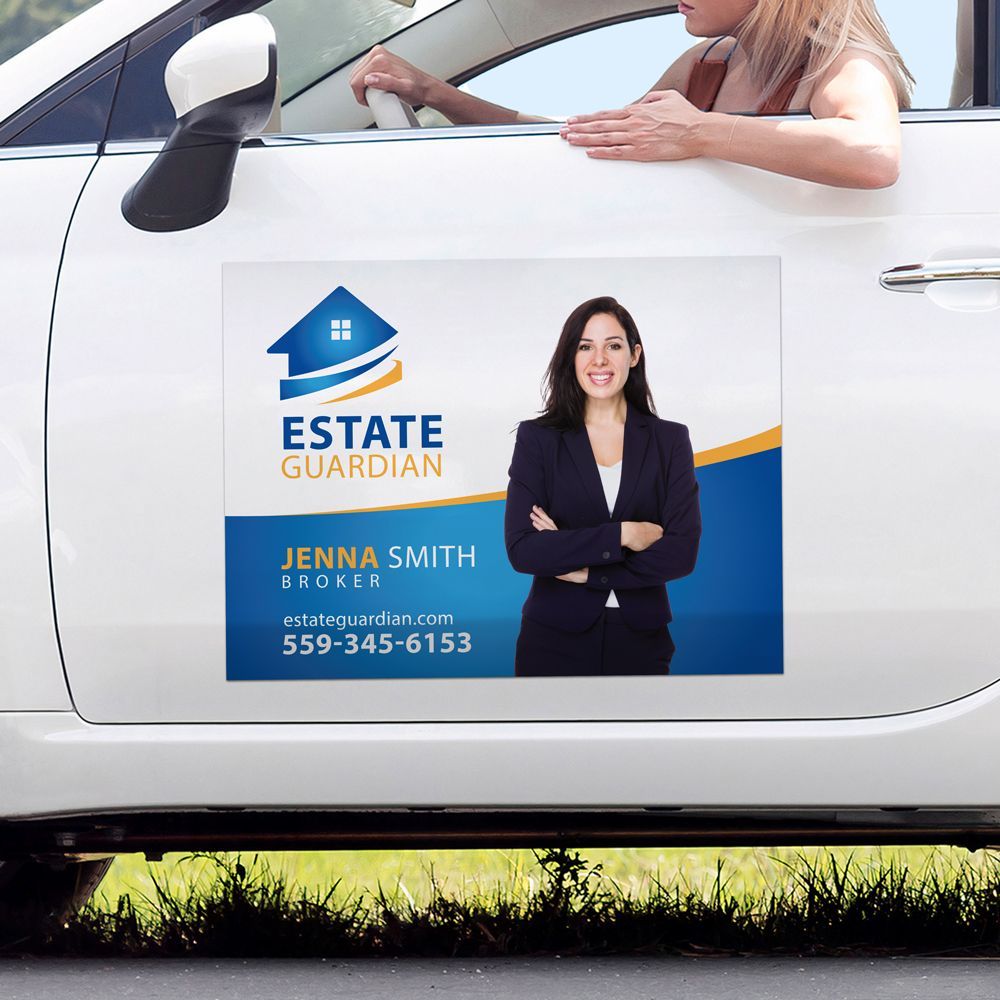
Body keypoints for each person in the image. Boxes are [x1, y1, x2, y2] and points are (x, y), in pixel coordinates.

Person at [349, 0, 913, 189]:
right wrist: (436, 93)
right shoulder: (707, 64)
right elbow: (590, 137)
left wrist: (699, 132)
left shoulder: (840, 57)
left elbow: (873, 155)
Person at [504, 297, 701, 677]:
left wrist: (585, 571)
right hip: (553, 639)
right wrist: (624, 534)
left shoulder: (670, 441)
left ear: (634, 354)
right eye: (585, 347)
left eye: (613, 345)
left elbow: (681, 552)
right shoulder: (539, 440)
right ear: (571, 357)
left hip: (642, 639)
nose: (599, 359)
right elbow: (524, 549)